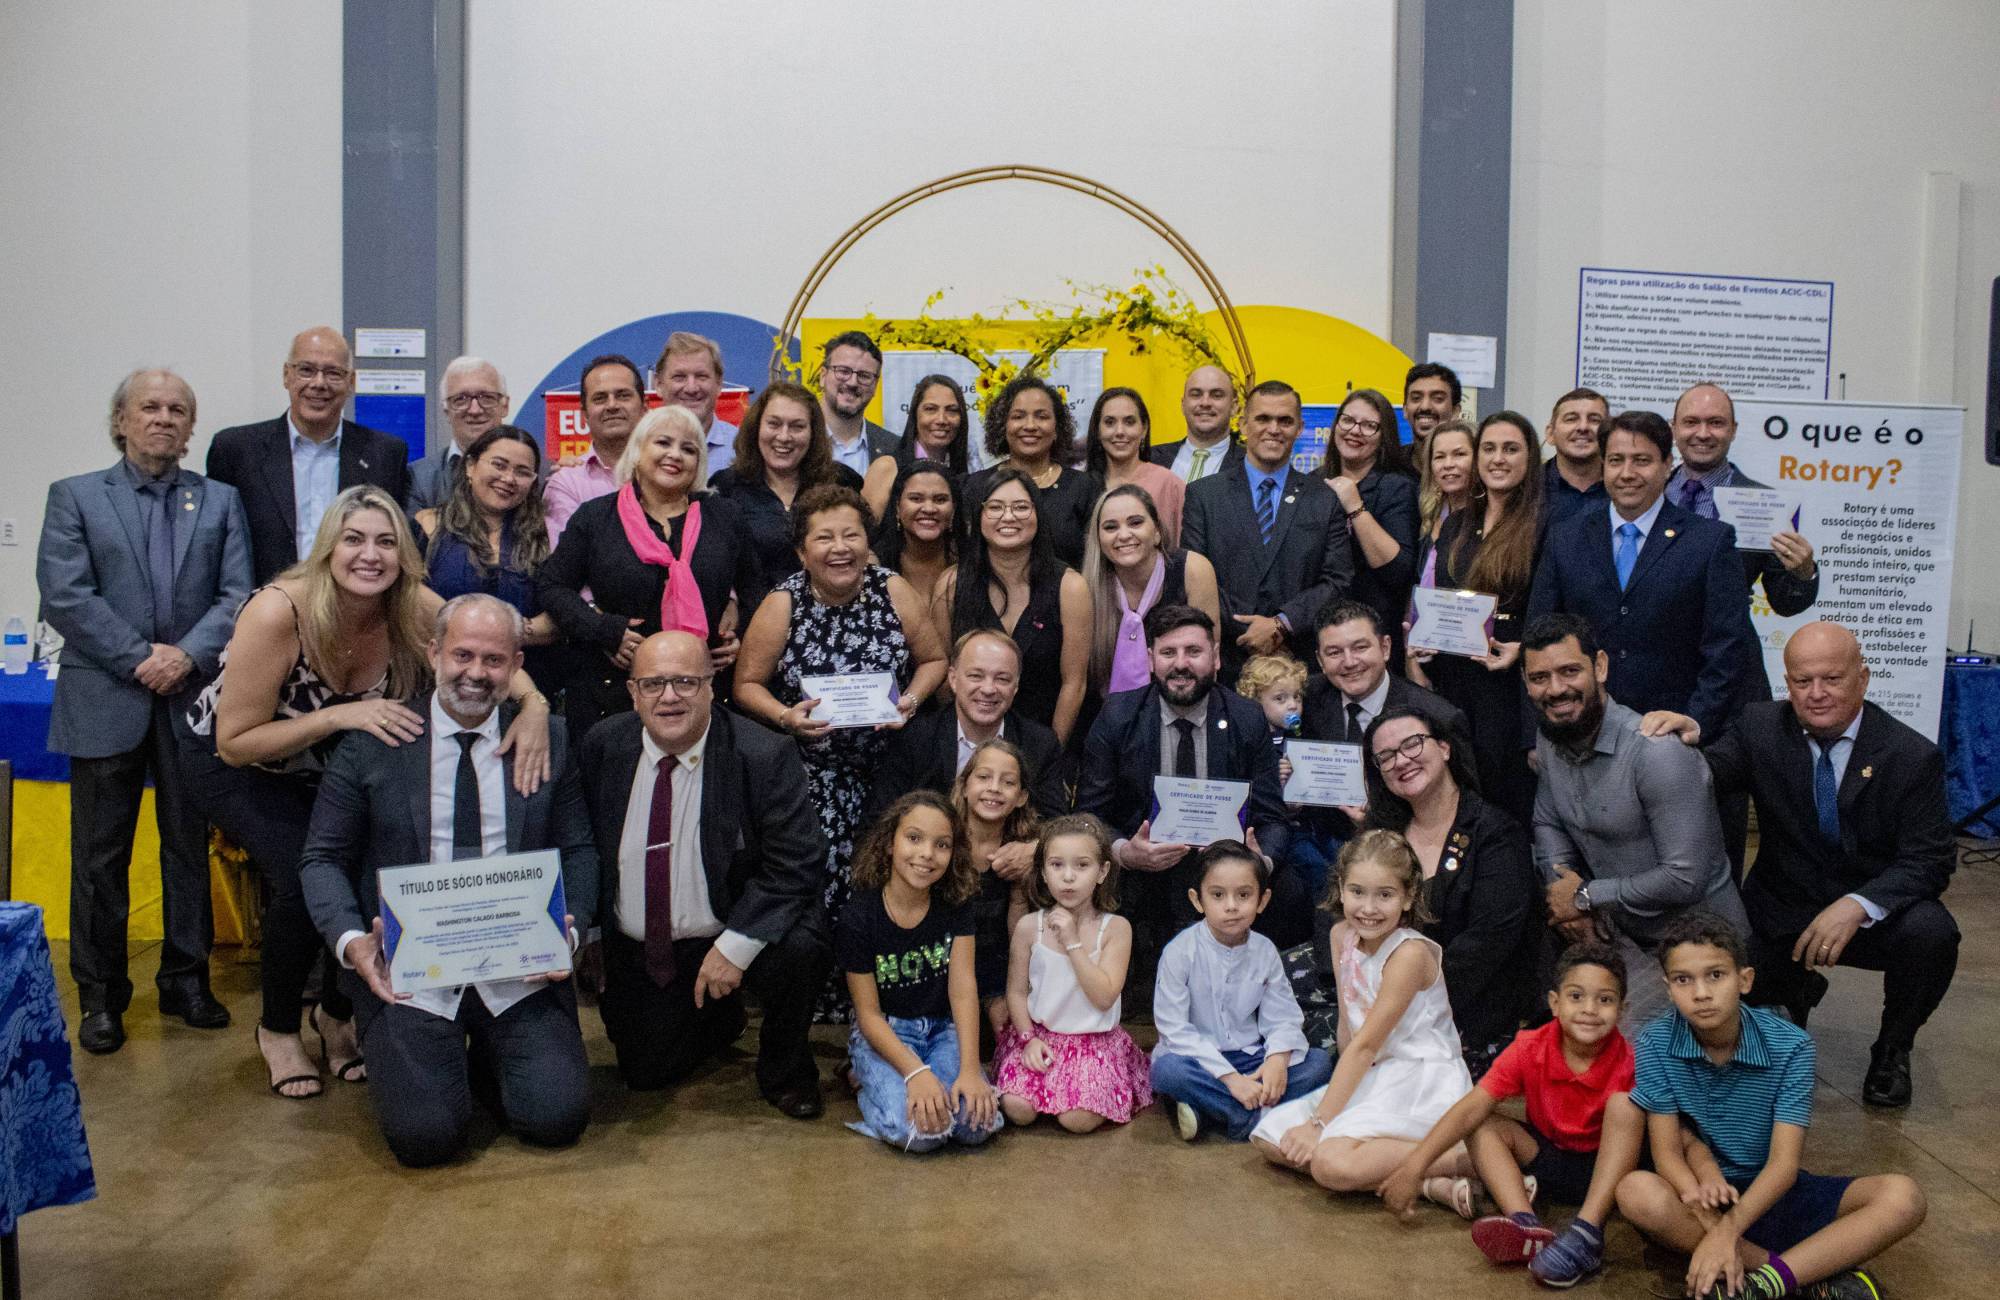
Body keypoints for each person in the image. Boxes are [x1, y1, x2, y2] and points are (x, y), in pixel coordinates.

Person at [186, 485, 554, 1099]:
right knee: (303, 880)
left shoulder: (411, 603)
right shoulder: (280, 611)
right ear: (328, 548)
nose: (370, 555)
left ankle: (337, 1014)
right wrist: (339, 716)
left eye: (386, 542)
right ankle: (278, 1028)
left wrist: (535, 705)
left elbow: (487, 647)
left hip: (323, 767)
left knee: (368, 869)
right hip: (241, 762)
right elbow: (236, 740)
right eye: (353, 539)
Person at [296, 595, 592, 1167]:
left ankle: (486, 1058)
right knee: (425, 1138)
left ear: (516, 665)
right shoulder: (374, 741)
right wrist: (353, 944)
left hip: (519, 973)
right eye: (462, 655)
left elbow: (579, 850)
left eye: (494, 660)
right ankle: (442, 1063)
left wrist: (569, 936)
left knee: (556, 1119)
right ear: (433, 654)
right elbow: (322, 859)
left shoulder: (548, 739)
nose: (476, 673)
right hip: (410, 977)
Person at [1655, 621, 1959, 1108]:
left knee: (1933, 934)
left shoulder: (1911, 756)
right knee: (1731, 995)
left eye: (1832, 679)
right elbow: (1708, 775)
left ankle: (1892, 1049)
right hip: (1782, 906)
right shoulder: (1760, 727)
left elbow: (1931, 859)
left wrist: (1857, 905)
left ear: (1863, 678)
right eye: (1802, 681)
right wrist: (1682, 746)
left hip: (1869, 915)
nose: (1816, 694)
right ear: (1788, 683)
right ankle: (1794, 988)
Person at [38, 369, 252, 1054]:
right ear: (120, 421)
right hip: (106, 697)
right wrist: (141, 659)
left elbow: (237, 595)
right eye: (150, 407)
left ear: (191, 426)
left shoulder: (219, 501)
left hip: (192, 700)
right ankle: (101, 996)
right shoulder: (75, 496)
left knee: (187, 846)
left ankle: (186, 981)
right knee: (100, 857)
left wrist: (184, 657)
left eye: (177, 409)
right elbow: (64, 595)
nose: (164, 418)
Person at [578, 631, 831, 1118]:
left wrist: (735, 947)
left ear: (712, 686)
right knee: (645, 1073)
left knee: (801, 947)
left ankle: (786, 1070)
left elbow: (797, 862)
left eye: (686, 682)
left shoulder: (762, 754)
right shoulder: (604, 746)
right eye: (653, 684)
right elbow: (585, 843)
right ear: (633, 693)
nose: (669, 697)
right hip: (644, 943)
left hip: (729, 924)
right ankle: (716, 1018)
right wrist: (592, 933)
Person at [1615, 912, 1928, 1300]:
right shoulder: (1654, 1042)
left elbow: (1783, 1166)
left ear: (1744, 980)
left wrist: (1728, 1232)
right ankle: (1793, 1275)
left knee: (1903, 1196)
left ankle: (1759, 1286)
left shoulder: (1791, 1046)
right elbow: (1667, 1156)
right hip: (1703, 1199)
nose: (1701, 993)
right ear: (1668, 988)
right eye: (1683, 980)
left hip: (1774, 1191)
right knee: (1636, 1191)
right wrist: (1711, 1220)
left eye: (1716, 975)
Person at [734, 485, 947, 955]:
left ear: (867, 543)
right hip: (812, 776)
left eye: (851, 535)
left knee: (892, 881)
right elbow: (746, 684)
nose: (840, 548)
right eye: (825, 538)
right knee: (821, 887)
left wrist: (910, 701)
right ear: (801, 552)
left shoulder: (892, 589)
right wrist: (785, 716)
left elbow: (934, 660)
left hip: (892, 771)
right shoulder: (783, 603)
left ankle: (879, 984)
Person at [1521, 614, 1750, 1032]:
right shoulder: (1551, 737)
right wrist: (1566, 898)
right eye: (1539, 678)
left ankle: (1758, 1024)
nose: (1555, 689)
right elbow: (1547, 823)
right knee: (1559, 1035)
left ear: (1600, 667)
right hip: (1618, 933)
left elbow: (1684, 879)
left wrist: (1586, 896)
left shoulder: (1656, 752)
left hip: (1698, 948)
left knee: (1621, 1054)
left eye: (1569, 671)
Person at [1378, 944, 1643, 1289]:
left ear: (1622, 1010)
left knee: (1627, 1106)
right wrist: (1415, 1167)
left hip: (1609, 1175)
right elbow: (1472, 1106)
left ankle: (1587, 1232)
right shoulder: (1531, 1046)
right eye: (1576, 996)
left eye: (1604, 1000)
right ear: (1554, 1003)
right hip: (1551, 1158)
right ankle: (1526, 1224)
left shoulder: (1633, 1062)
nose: (1589, 1009)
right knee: (1482, 1124)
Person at [1252, 831, 1476, 1197]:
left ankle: (1465, 1159)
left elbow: (1368, 1044)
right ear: (1341, 889)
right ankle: (1427, 1183)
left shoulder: (1409, 954)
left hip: (1421, 1079)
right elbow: (1349, 1026)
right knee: (1270, 1137)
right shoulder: (1341, 934)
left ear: (1408, 897)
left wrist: (1319, 1124)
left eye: (1384, 895)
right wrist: (1340, 1102)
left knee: (1330, 1163)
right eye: (1357, 892)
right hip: (1374, 1072)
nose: (1368, 909)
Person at [1076, 604, 1304, 952]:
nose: (1180, 664)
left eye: (1193, 651)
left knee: (1289, 890)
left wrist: (1259, 863)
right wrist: (1126, 853)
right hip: (1143, 868)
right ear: (1150, 660)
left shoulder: (1246, 718)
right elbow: (1088, 815)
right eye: (1168, 653)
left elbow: (1273, 818)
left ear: (1215, 658)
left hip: (1228, 867)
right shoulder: (1118, 716)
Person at [538, 405, 763, 745]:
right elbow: (552, 586)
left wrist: (739, 634)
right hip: (613, 694)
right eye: (663, 443)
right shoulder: (596, 517)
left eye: (689, 449)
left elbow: (756, 591)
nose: (675, 455)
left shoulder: (725, 516)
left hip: (706, 691)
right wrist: (603, 630)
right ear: (638, 451)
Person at [1526, 410, 1757, 737]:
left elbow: (1727, 649)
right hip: (1581, 732)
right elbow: (1538, 638)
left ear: (1667, 465)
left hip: (1674, 735)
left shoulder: (1709, 542)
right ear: (1603, 465)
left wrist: (1696, 720)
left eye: (1642, 461)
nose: (1627, 473)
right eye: (1616, 460)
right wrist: (1533, 735)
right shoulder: (1566, 537)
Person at [1360, 706, 1542, 1073]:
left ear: (1444, 748)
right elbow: (1338, 905)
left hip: (1465, 1005)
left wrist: (1399, 1001)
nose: (1401, 761)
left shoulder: (1495, 832)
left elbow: (1487, 945)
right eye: (1386, 756)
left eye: (1412, 744)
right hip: (1380, 991)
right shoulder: (1381, 833)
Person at [838, 792, 1002, 1151]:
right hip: (887, 1033)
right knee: (921, 1134)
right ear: (889, 844)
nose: (927, 853)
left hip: (944, 1030)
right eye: (914, 838)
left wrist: (971, 1070)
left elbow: (963, 990)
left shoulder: (956, 905)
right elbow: (868, 1014)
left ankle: (933, 1084)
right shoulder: (858, 917)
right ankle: (865, 1083)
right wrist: (915, 1073)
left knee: (976, 1125)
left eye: (941, 844)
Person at [1411, 410, 1545, 823]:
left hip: (1508, 689)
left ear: (1530, 458)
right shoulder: (1457, 523)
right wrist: (1424, 639)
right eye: (1489, 448)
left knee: (1503, 805)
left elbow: (1553, 609)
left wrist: (1524, 649)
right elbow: (1443, 598)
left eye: (1511, 449)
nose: (1498, 458)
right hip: (1454, 685)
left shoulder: (1546, 523)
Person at [1149, 842, 1334, 1142]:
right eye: (1218, 895)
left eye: (1244, 895)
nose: (1231, 906)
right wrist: (1231, 1079)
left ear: (1262, 900)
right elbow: (1174, 1030)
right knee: (1167, 1071)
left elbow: (1283, 1016)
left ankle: (1212, 1110)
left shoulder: (1265, 950)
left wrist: (1277, 1060)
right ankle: (1253, 1117)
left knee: (1318, 1063)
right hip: (1198, 1059)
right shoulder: (1180, 951)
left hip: (1250, 1057)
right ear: (1197, 900)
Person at [207, 326, 411, 584]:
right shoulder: (236, 450)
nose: (319, 383)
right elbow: (216, 548)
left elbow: (396, 545)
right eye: (306, 370)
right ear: (286, 375)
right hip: (265, 602)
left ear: (351, 382)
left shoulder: (386, 454)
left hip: (353, 603)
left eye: (333, 373)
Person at [991, 815, 1153, 1132]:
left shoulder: (1116, 929)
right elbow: (1017, 992)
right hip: (1040, 1036)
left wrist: (1072, 942)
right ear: (1042, 872)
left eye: (1082, 866)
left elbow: (1104, 997)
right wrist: (1027, 1039)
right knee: (1017, 1108)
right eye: (1056, 865)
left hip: (1093, 1042)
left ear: (1102, 872)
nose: (1068, 877)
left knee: (1077, 1120)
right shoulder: (1029, 927)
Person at [1180, 379, 1354, 675]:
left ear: (1299, 429)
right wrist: (1248, 629)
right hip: (1227, 662)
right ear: (1243, 424)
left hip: (1300, 664)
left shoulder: (1324, 499)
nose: (1274, 429)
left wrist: (1281, 624)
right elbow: (1193, 576)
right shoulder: (1203, 495)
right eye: (1262, 419)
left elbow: (1338, 580)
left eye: (1285, 421)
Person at [937, 470, 1091, 744]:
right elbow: (942, 678)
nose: (1008, 517)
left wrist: (1048, 753)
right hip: (968, 744)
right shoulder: (951, 584)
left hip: (1044, 739)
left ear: (1038, 515)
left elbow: (1074, 684)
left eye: (1020, 507)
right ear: (979, 517)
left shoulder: (1070, 587)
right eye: (995, 507)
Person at [867, 628, 1070, 824]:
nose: (988, 689)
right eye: (976, 676)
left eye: (1002, 679)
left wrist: (1027, 845)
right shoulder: (916, 738)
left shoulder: (1040, 745)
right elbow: (878, 823)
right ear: (953, 679)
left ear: (1015, 687)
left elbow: (1056, 827)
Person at [412, 426, 561, 681]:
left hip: (530, 678)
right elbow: (409, 596)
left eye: (522, 472)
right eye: (499, 465)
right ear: (470, 466)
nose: (509, 478)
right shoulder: (429, 525)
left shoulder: (548, 536)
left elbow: (561, 614)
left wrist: (519, 631)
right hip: (440, 679)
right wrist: (491, 630)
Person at [1669, 382, 1820, 618]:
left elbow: (1785, 604)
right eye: (1691, 422)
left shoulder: (1767, 505)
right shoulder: (1648, 493)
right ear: (1674, 428)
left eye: (1716, 423)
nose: (1703, 433)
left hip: (1722, 638)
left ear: (1733, 430)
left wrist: (1803, 572)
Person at [706, 380, 865, 590]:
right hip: (754, 608)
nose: (784, 436)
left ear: (813, 433)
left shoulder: (841, 481)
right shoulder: (726, 486)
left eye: (797, 426)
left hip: (831, 606)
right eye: (774, 424)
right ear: (756, 427)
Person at [1081, 483, 1220, 701]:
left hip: (1184, 703)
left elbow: (1206, 663)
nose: (1123, 535)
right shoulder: (1085, 587)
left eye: (1135, 523)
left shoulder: (1193, 570)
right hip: (1104, 711)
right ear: (1098, 539)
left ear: (1157, 531)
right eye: (1110, 527)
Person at [951, 740, 1043, 1032]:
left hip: (1000, 968)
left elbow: (1018, 934)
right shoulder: (944, 841)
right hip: (946, 968)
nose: (994, 788)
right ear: (964, 786)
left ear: (1021, 797)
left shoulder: (1021, 849)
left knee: (1011, 1030)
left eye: (1008, 782)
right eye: (983, 777)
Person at [964, 374, 1102, 568]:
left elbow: (1096, 562)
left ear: (1057, 428)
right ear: (1003, 426)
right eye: (1018, 416)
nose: (1030, 426)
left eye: (1042, 416)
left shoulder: (1084, 488)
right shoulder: (976, 486)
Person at [1320, 388, 1419, 660]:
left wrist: (1355, 505)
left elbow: (1397, 571)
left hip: (1376, 634)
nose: (1355, 431)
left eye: (1369, 426)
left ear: (1384, 435)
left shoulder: (1397, 486)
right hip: (1322, 631)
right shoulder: (1315, 482)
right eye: (1348, 420)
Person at [1304, 600, 1469, 753]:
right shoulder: (1302, 699)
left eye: (1360, 647)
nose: (1349, 662)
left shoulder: (1438, 716)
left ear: (1385, 648)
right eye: (1334, 652)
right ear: (1320, 660)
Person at [545, 353, 647, 546]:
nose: (612, 405)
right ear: (584, 414)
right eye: (600, 398)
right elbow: (569, 559)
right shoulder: (567, 482)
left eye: (623, 395)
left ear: (644, 407)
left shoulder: (667, 472)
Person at [409, 357, 522, 514]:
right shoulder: (418, 479)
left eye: (486, 397)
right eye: (461, 399)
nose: (474, 410)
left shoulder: (532, 473)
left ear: (505, 406)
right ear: (446, 411)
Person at [861, 374, 970, 524]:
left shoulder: (966, 473)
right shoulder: (887, 467)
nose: (941, 419)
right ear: (915, 414)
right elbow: (864, 531)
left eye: (951, 410)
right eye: (930, 409)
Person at [1084, 386, 1185, 543]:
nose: (1119, 431)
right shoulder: (1082, 486)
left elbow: (1184, 550)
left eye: (1129, 422)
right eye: (1110, 422)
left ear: (1144, 429)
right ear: (1098, 431)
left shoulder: (1168, 484)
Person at [867, 459, 957, 608]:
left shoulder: (971, 564)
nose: (929, 508)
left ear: (953, 509)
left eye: (940, 500)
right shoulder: (874, 567)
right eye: (916, 499)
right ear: (897, 507)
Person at [653, 331, 739, 477]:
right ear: (659, 384)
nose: (691, 388)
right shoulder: (638, 446)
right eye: (679, 377)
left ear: (719, 383)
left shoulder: (743, 448)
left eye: (701, 376)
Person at [816, 330, 899, 479]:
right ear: (823, 376)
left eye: (864, 376)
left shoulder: (895, 449)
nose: (852, 383)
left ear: (875, 386)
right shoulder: (796, 439)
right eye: (843, 371)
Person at [1413, 419, 1477, 601]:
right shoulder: (1429, 511)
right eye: (1439, 457)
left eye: (1459, 454)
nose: (1448, 464)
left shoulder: (1489, 518)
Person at [1150, 363, 1241, 482]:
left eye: (1216, 395)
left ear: (1234, 407)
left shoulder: (1251, 465)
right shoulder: (1147, 459)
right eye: (1196, 395)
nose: (1205, 403)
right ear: (1183, 405)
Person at [1541, 388, 1609, 528]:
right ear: (1550, 434)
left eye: (1594, 420)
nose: (1583, 427)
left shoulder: (1625, 487)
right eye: (1571, 419)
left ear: (1609, 434)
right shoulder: (1527, 488)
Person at [1403, 361, 1462, 455]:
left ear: (1455, 411)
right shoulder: (1390, 461)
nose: (1425, 406)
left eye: (1438, 398)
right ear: (1405, 410)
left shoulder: (1472, 462)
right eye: (1416, 398)